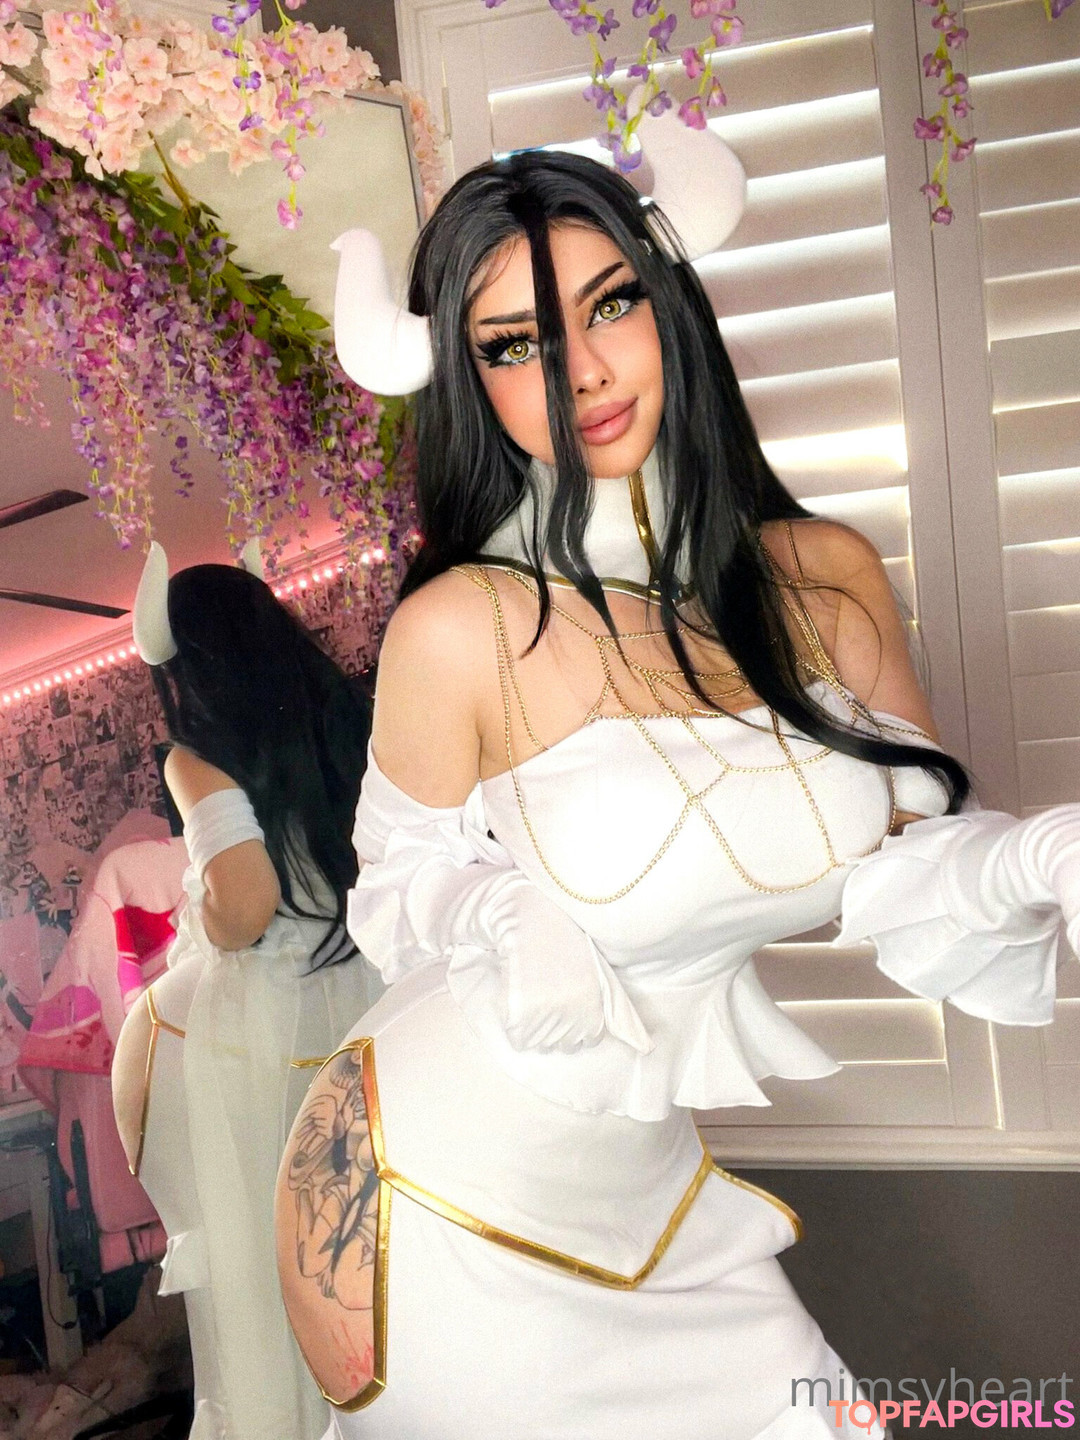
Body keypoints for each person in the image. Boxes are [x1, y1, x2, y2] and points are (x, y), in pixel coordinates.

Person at [274, 96, 1080, 1440]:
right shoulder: (460, 628)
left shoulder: (824, 579)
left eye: (612, 303)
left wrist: (1042, 855)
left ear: (671, 303)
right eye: (517, 343)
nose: (584, 370)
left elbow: (911, 860)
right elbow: (397, 885)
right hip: (432, 1204)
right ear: (470, 381)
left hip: (652, 1204)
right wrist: (501, 912)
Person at [112, 545, 384, 1440]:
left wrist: (201, 915)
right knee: (372, 1250)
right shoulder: (348, 716)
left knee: (274, 1260)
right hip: (372, 991)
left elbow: (245, 902)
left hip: (266, 1020)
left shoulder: (196, 756)